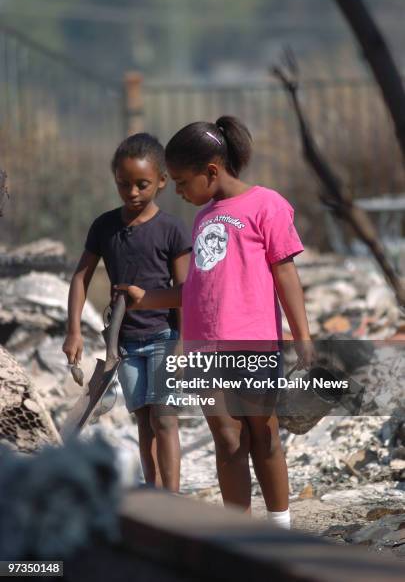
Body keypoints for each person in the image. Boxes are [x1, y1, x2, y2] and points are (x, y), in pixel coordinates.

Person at [115, 116, 315, 529]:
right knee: (227, 440)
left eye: (183, 182)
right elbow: (198, 290)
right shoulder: (204, 217)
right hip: (207, 350)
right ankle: (240, 537)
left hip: (254, 345)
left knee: (264, 435)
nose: (181, 192)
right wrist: (146, 299)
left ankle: (280, 529)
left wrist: (303, 335)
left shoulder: (267, 205)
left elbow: (285, 274)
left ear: (211, 171)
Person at [63, 133, 191, 492]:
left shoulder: (172, 230)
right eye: (124, 184)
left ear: (162, 181)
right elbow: (80, 278)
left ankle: (173, 500)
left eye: (142, 184)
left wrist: (183, 344)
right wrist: (73, 330)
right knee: (145, 423)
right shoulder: (105, 227)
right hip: (125, 344)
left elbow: (186, 293)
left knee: (165, 420)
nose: (132, 192)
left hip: (166, 338)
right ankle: (154, 492)